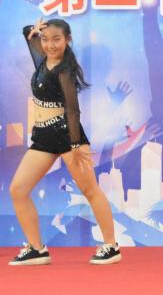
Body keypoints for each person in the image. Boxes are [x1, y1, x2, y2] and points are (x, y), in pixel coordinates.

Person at [9, 18, 120, 266]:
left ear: (68, 40)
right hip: (43, 136)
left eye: (56, 39)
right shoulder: (42, 59)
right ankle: (37, 249)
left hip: (68, 136)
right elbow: (27, 33)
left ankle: (111, 246)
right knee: (18, 189)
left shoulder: (65, 71)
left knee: (90, 190)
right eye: (45, 39)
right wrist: (34, 30)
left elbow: (72, 110)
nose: (50, 45)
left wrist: (75, 145)